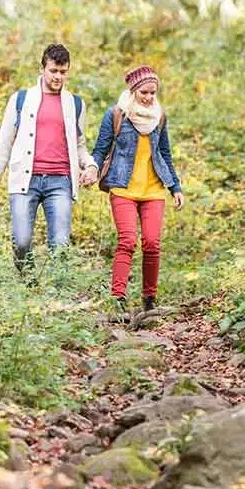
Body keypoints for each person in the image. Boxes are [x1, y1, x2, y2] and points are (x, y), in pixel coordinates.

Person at [0, 44, 99, 275]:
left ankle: (58, 297)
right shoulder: (21, 100)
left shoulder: (75, 104)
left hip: (60, 182)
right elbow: (4, 144)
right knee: (22, 242)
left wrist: (91, 165)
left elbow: (79, 145)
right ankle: (29, 286)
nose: (58, 77)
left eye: (63, 72)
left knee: (60, 245)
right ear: (43, 68)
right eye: (53, 71)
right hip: (25, 181)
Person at [91, 65, 183, 312]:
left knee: (152, 243)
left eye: (153, 93)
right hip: (123, 188)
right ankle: (118, 298)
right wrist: (91, 169)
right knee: (127, 241)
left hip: (154, 190)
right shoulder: (116, 115)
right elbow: (100, 149)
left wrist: (175, 187)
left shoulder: (159, 117)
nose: (149, 97)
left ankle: (149, 299)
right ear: (133, 91)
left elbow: (165, 153)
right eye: (144, 92)